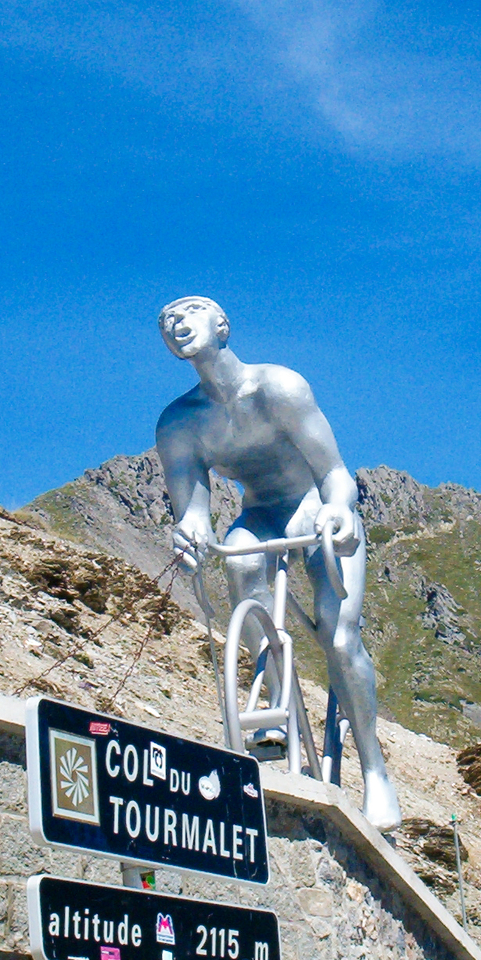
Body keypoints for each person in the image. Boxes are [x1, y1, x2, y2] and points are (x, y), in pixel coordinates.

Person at [155, 296, 402, 831]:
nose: (176, 322)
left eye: (190, 311)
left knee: (339, 638)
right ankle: (272, 697)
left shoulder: (279, 387)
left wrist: (339, 510)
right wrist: (190, 535)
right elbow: (192, 509)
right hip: (262, 514)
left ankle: (375, 769)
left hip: (317, 508)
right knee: (239, 561)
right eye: (165, 321)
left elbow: (334, 470)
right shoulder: (180, 423)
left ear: (222, 325)